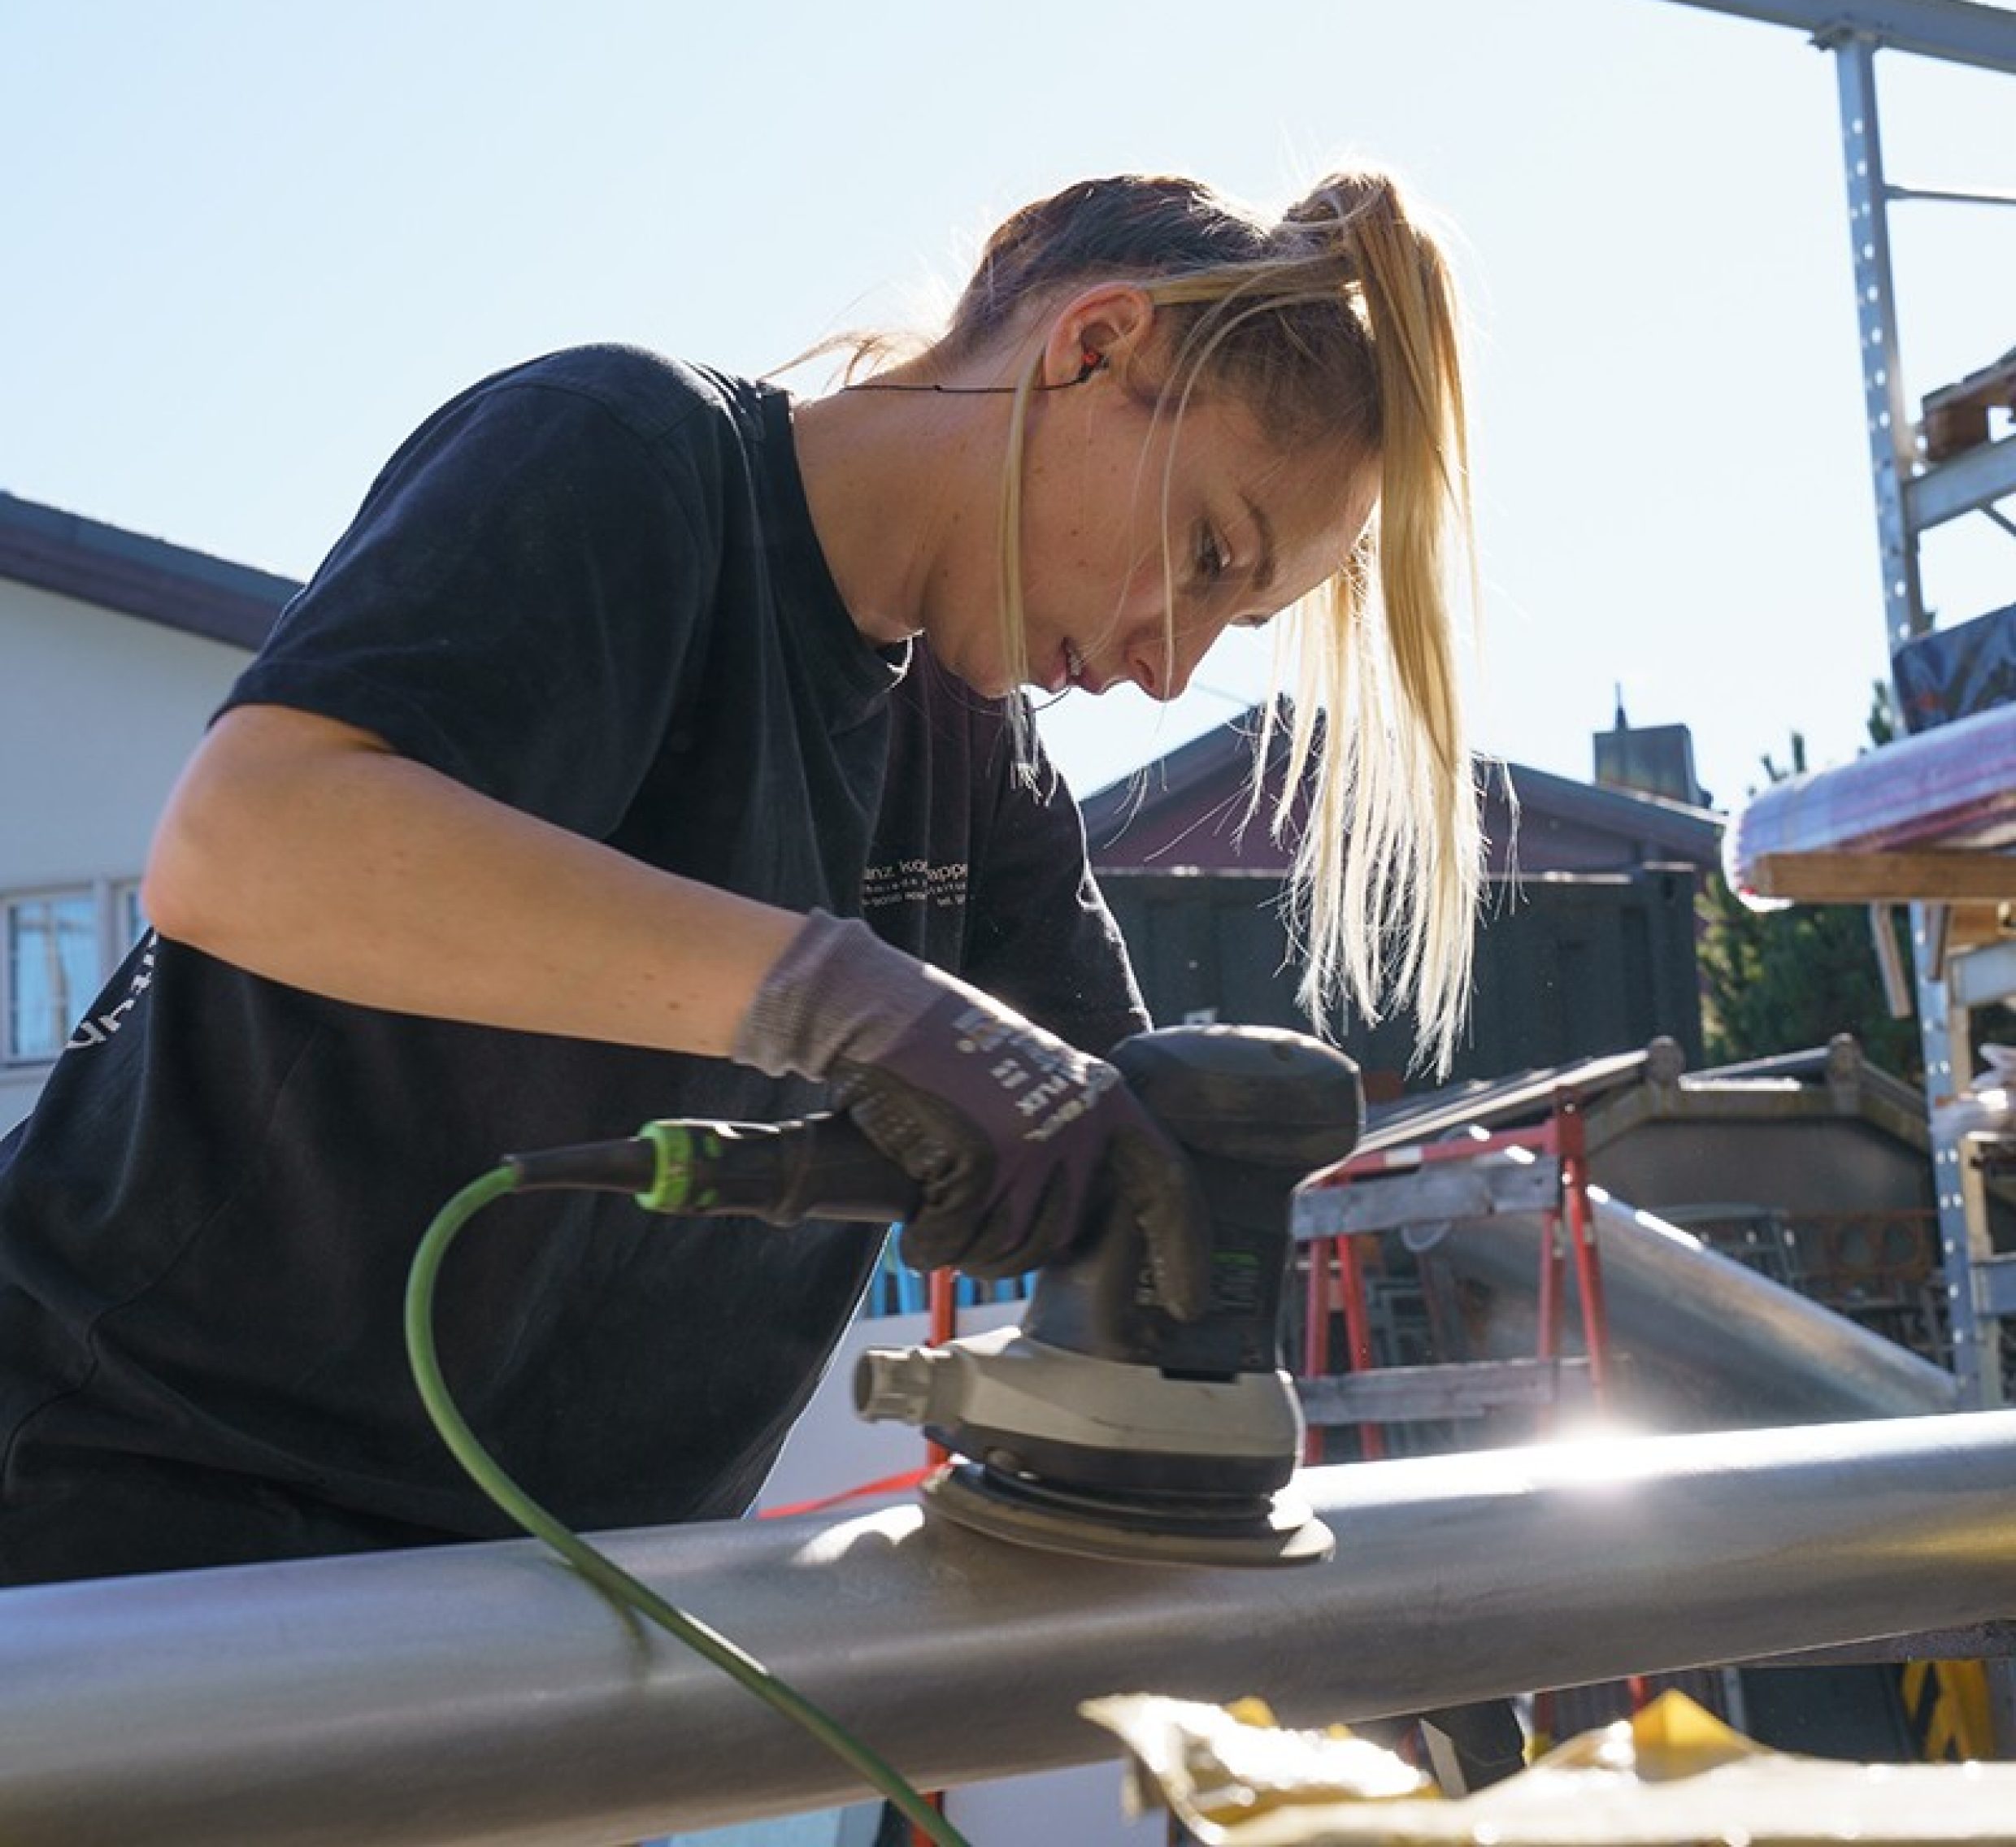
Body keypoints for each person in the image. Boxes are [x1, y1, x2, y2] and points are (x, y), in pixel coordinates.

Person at [0, 167, 1481, 1588]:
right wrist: (838, 999)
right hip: (123, 1519)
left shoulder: (973, 761)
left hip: (563, 1610)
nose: (1172, 669)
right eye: (1209, 551)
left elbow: (1135, 1150)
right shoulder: (625, 458)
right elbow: (248, 841)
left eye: (1242, 616)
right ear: (1091, 346)